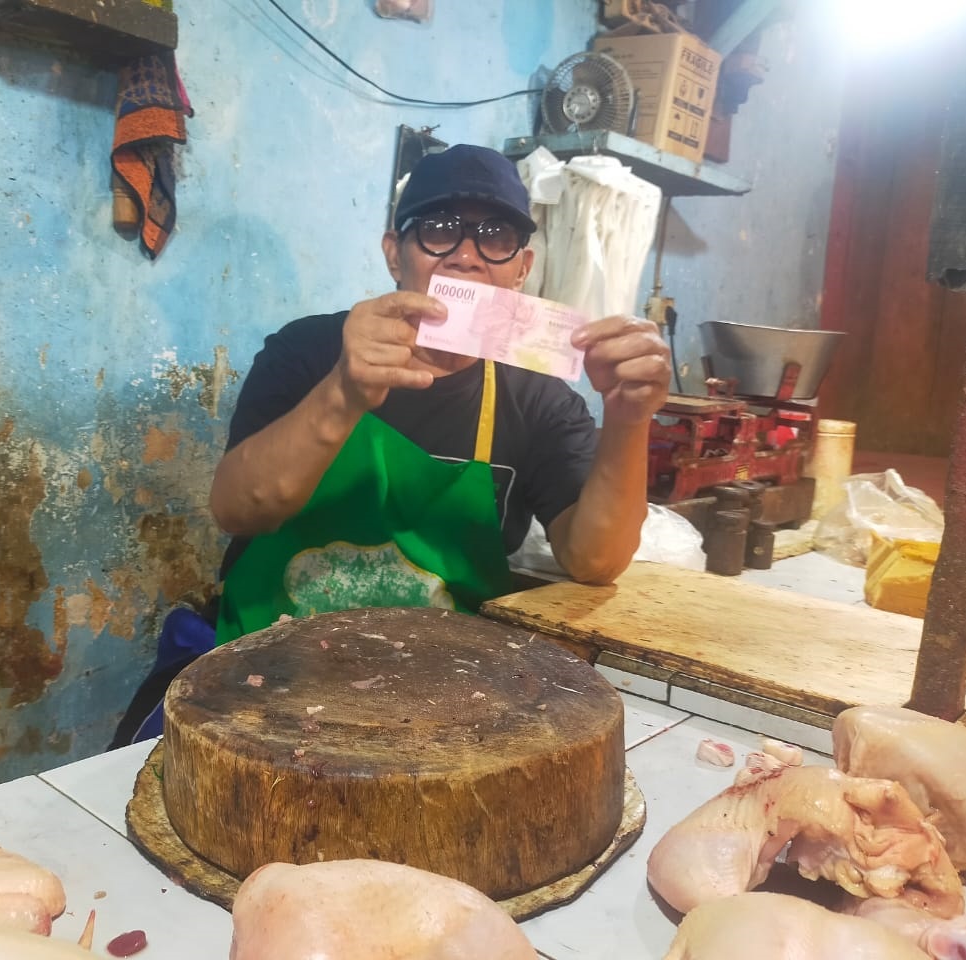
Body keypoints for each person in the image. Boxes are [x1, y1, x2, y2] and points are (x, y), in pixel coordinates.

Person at [109, 143, 669, 746]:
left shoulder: (539, 399)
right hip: (264, 682)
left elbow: (596, 560)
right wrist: (343, 392)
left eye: (495, 237)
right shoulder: (308, 353)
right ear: (393, 254)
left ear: (521, 269)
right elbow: (237, 508)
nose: (466, 256)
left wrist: (629, 417)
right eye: (439, 230)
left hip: (447, 704)